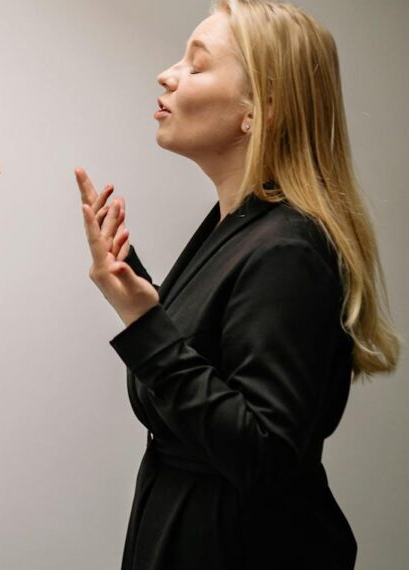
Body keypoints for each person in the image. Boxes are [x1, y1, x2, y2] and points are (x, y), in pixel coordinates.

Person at [74, 0, 399, 568]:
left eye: (196, 66)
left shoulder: (290, 248)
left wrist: (144, 324)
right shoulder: (240, 226)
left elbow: (265, 452)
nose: (167, 75)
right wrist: (135, 284)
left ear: (260, 108)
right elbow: (206, 366)